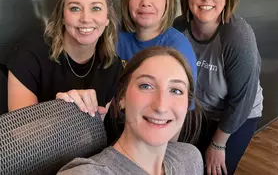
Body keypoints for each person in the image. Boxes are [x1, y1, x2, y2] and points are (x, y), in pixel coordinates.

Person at [173, 0, 263, 175]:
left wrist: (218, 143)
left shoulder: (237, 35)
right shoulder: (178, 27)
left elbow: (242, 99)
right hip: (198, 112)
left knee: (214, 170)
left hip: (238, 115)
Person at [58, 46, 204, 175]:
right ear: (122, 97)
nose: (161, 106)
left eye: (176, 90)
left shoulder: (190, 159)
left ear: (187, 105)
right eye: (146, 86)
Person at [7, 0, 123, 118]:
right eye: (75, 8)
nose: (86, 19)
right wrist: (59, 112)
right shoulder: (29, 56)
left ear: (107, 18)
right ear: (62, 17)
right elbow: (21, 132)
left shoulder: (112, 65)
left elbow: (98, 130)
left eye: (96, 8)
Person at [117, 0, 197, 81]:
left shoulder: (178, 48)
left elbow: (184, 98)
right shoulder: (115, 37)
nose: (145, 2)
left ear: (167, 1)